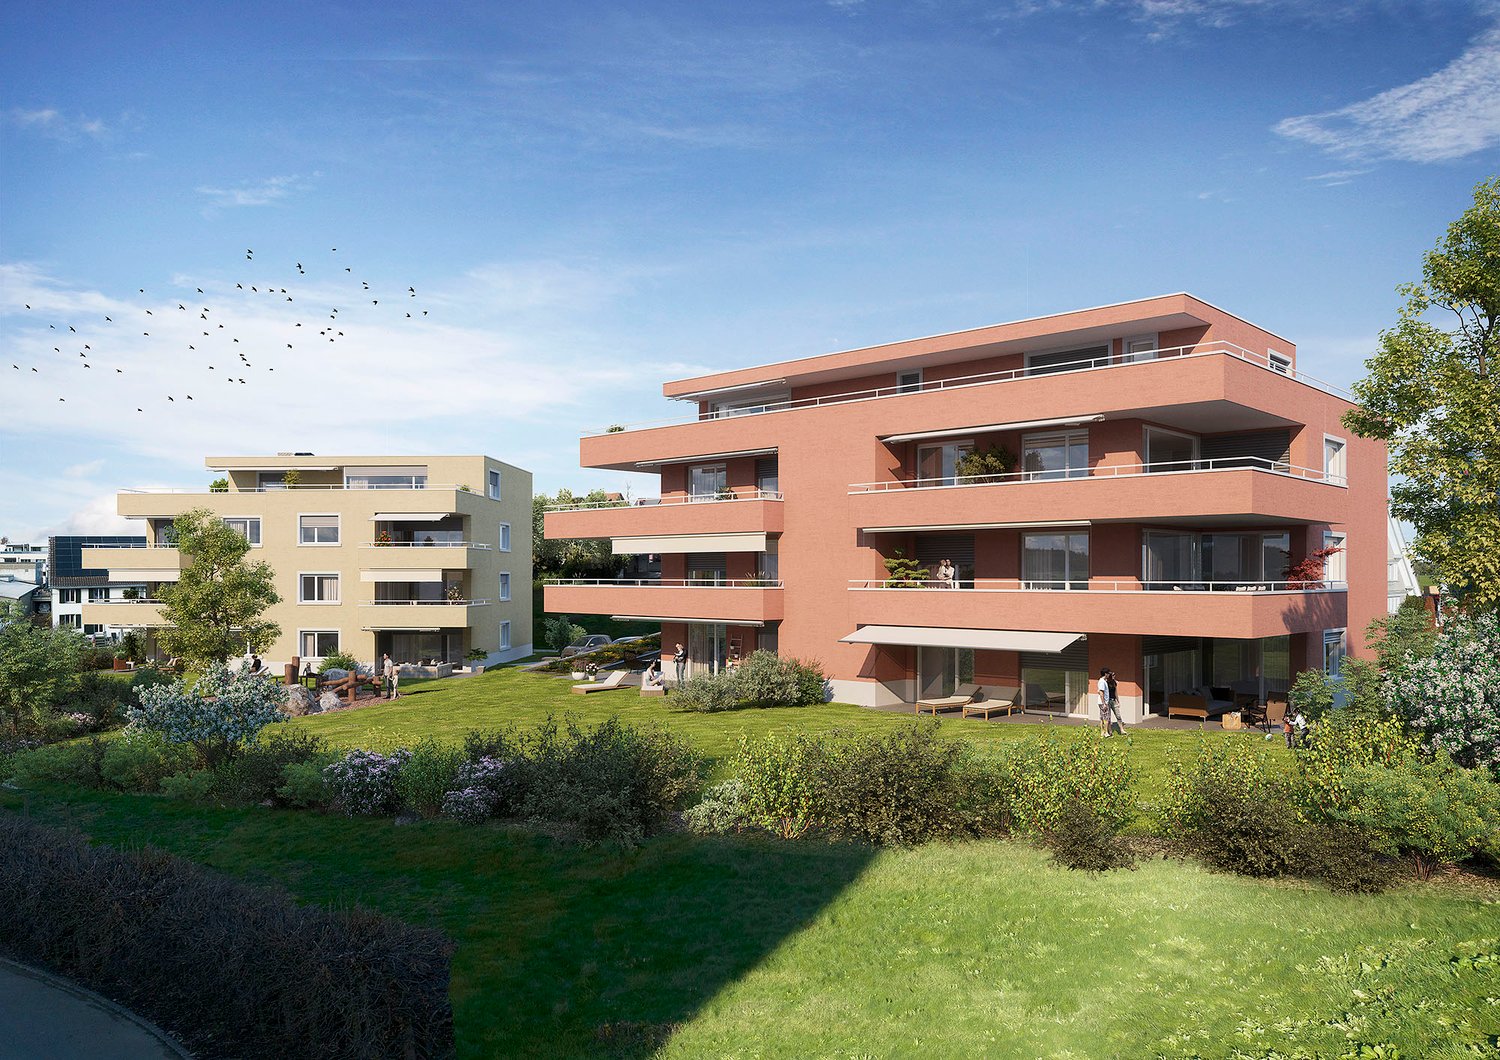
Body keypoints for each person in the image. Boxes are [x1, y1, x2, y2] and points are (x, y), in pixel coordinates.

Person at [1105, 669, 1123, 735]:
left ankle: (1122, 730)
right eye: (1113, 675)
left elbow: (1116, 692)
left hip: (1113, 700)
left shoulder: (1114, 682)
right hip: (1108, 701)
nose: (1114, 676)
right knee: (1108, 716)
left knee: (1118, 715)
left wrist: (1118, 700)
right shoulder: (1106, 683)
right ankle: (1110, 731)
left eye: (1114, 675)